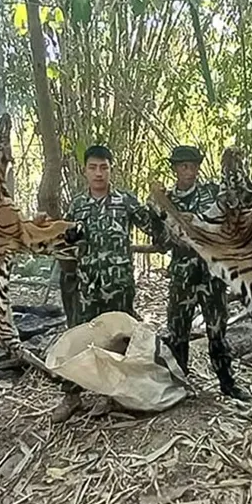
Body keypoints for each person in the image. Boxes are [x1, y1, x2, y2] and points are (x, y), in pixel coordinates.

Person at [52, 145, 156, 421]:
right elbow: (65, 238)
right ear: (84, 170)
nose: (99, 173)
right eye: (93, 167)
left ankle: (115, 396)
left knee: (120, 341)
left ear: (111, 169)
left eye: (104, 167)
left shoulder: (126, 201)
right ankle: (72, 395)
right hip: (88, 286)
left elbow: (154, 227)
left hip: (119, 284)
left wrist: (161, 207)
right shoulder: (77, 205)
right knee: (81, 338)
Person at [155, 145, 249, 400]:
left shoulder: (212, 192)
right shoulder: (165, 199)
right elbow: (160, 241)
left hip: (212, 273)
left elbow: (231, 214)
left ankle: (228, 385)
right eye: (183, 166)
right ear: (175, 169)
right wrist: (168, 222)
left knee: (217, 331)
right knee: (178, 331)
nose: (189, 171)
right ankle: (178, 384)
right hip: (182, 274)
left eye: (193, 166)